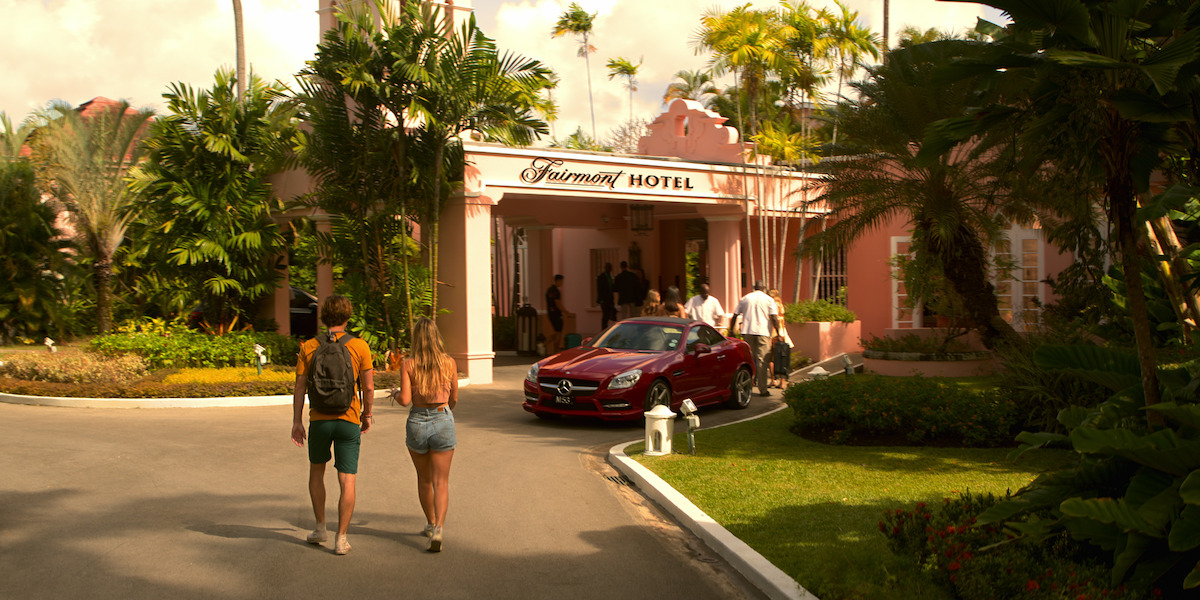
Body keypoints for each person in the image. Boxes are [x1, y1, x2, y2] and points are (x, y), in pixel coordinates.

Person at [291, 294, 374, 555]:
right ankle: (341, 538)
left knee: (317, 473)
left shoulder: (309, 346)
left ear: (323, 317)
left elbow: (300, 387)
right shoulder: (360, 346)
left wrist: (296, 421)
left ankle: (320, 528)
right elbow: (369, 387)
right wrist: (367, 415)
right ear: (348, 317)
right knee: (347, 479)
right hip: (348, 420)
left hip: (319, 420)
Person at [389, 318, 458, 553]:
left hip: (417, 421)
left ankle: (430, 523)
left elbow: (406, 400)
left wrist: (396, 393)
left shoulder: (409, 364)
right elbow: (454, 399)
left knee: (424, 479)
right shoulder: (449, 363)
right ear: (436, 336)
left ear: (416, 339)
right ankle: (439, 528)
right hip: (442, 417)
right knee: (441, 481)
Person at [729, 281, 780, 397]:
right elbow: (774, 317)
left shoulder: (745, 298)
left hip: (747, 331)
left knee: (748, 360)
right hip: (763, 332)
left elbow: (735, 315)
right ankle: (763, 389)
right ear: (764, 288)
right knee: (763, 360)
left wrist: (731, 329)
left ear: (754, 288)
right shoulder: (768, 299)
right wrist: (778, 332)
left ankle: (748, 386)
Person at [545, 274, 566, 355]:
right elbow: (557, 303)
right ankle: (555, 350)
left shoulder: (549, 290)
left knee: (557, 332)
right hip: (556, 314)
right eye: (561, 281)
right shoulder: (555, 291)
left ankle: (545, 343)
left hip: (550, 313)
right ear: (558, 281)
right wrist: (565, 311)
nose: (562, 283)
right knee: (558, 333)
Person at [596, 262, 616, 330]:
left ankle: (606, 328)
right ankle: (603, 329)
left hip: (609, 299)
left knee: (608, 315)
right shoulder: (602, 277)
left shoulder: (609, 276)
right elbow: (600, 289)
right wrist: (601, 300)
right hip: (604, 300)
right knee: (605, 315)